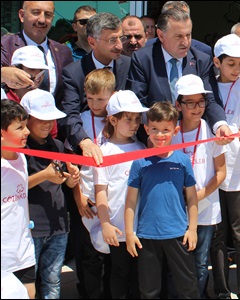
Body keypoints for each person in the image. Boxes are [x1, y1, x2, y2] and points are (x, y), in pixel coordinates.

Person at [124, 102, 200, 298]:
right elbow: (131, 201)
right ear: (146, 129)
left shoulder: (182, 160)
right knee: (149, 290)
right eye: (155, 129)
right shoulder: (139, 162)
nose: (160, 135)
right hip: (147, 235)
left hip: (177, 233)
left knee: (188, 287)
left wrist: (192, 229)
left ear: (175, 130)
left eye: (166, 130)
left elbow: (191, 197)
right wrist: (130, 233)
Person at [127, 8, 232, 145]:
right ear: (161, 35)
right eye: (178, 36)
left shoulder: (201, 60)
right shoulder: (143, 59)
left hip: (193, 140)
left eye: (188, 35)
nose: (185, 42)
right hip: (157, 141)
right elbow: (138, 103)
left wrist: (220, 125)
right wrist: (152, 136)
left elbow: (210, 99)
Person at [208, 34, 240, 300]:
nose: (237, 69)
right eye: (231, 64)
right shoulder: (209, 87)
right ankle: (221, 289)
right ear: (217, 62)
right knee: (218, 232)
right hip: (214, 167)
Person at [170, 74, 227, 299]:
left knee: (201, 262)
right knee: (178, 263)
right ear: (178, 104)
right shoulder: (170, 132)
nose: (197, 108)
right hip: (175, 209)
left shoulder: (212, 130)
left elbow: (221, 173)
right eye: (190, 103)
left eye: (201, 102)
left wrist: (200, 195)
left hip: (205, 209)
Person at [22, 89, 79, 299]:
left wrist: (72, 177)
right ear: (27, 118)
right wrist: (45, 175)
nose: (47, 124)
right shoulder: (19, 149)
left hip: (59, 225)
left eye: (51, 119)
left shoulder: (56, 145)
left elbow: (66, 182)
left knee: (53, 280)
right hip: (31, 228)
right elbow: (15, 186)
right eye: (41, 119)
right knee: (28, 282)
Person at [93, 90, 147, 299]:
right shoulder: (104, 152)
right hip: (117, 228)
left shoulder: (142, 147)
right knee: (118, 273)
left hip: (140, 227)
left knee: (138, 276)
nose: (134, 124)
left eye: (137, 119)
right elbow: (101, 192)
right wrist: (105, 223)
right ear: (113, 120)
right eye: (128, 119)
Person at [61, 12, 130, 165]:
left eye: (121, 38)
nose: (119, 45)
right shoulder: (74, 73)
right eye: (112, 40)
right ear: (92, 42)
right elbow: (69, 114)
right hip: (89, 157)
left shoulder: (130, 65)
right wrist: (84, 141)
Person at [74, 68, 115, 299]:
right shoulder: (79, 122)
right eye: (90, 98)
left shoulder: (119, 121)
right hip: (86, 199)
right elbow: (73, 166)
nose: (95, 103)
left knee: (112, 254)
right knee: (90, 256)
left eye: (100, 99)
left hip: (112, 199)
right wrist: (78, 195)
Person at [1, 1, 74, 103]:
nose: (42, 20)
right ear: (22, 15)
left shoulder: (63, 52)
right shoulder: (5, 44)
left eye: (47, 14)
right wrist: (3, 74)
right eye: (36, 12)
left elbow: (68, 94)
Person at [1, 99, 35, 299]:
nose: (27, 131)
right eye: (19, 127)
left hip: (23, 249)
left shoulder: (21, 157)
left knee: (30, 294)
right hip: (3, 252)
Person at [143, 1, 212, 57]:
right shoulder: (144, 51)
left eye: (184, 16)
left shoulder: (204, 52)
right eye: (173, 16)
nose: (185, 42)